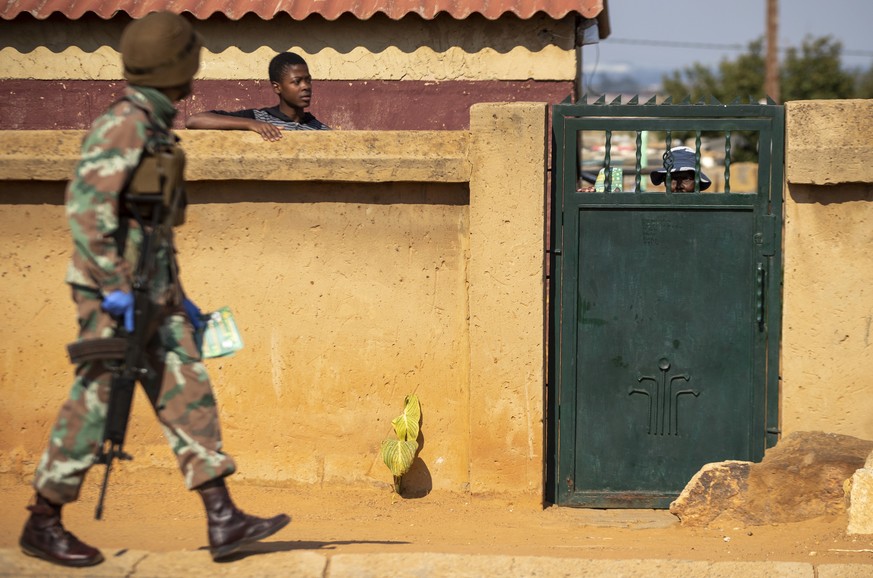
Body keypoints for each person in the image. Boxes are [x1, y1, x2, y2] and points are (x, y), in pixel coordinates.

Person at [19, 12, 289, 568]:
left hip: (153, 292)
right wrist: (116, 290)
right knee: (96, 400)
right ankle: (43, 520)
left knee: (187, 388)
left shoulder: (155, 124)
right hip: (112, 293)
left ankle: (221, 514)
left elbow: (150, 227)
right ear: (176, 65)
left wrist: (179, 298)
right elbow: (87, 211)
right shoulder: (126, 124)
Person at [185, 52, 329, 140]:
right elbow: (194, 121)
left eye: (308, 80)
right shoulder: (259, 118)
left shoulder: (320, 129)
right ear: (277, 87)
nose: (306, 87)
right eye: (297, 82)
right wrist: (252, 124)